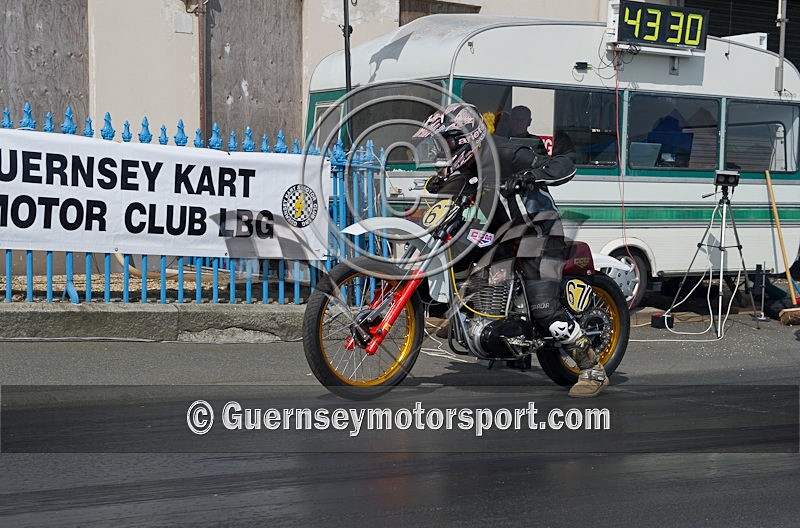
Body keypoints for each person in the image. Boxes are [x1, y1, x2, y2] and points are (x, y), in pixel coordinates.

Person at [417, 103, 608, 398]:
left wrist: (531, 176)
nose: (441, 152)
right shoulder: (469, 166)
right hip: (501, 233)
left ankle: (592, 367)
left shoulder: (506, 153)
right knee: (461, 257)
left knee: (545, 310)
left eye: (446, 144)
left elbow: (563, 165)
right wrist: (440, 182)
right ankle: (468, 317)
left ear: (466, 137)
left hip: (538, 233)